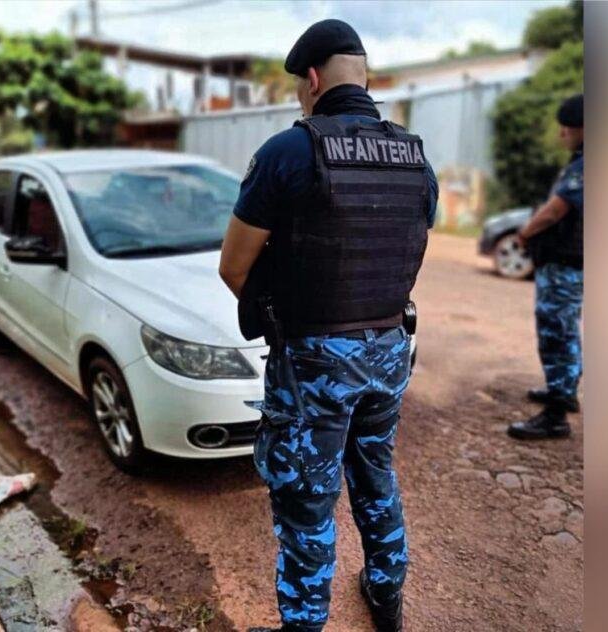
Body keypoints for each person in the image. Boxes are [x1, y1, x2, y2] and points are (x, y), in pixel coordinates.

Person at [218, 19, 438, 632]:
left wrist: (292, 314)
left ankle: (304, 625)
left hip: (314, 363)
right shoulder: (415, 156)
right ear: (363, 76)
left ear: (311, 79)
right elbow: (411, 247)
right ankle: (387, 598)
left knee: (306, 500)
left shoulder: (290, 151)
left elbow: (234, 268)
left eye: (298, 85)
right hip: (391, 349)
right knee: (374, 471)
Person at [509, 94, 584, 440]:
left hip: (565, 263)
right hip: (571, 261)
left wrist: (525, 233)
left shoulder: (584, 167)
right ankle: (562, 390)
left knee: (557, 331)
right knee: (564, 327)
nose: (561, 135)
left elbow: (556, 210)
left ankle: (555, 414)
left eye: (566, 129)